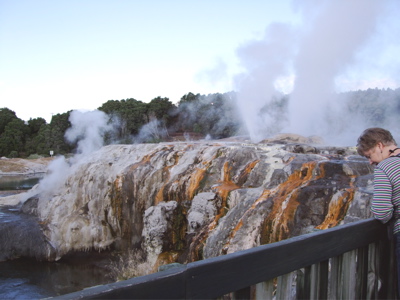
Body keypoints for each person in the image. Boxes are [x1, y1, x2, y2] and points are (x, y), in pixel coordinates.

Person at [357, 127, 400, 296]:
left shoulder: (385, 167)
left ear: (380, 146)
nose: (370, 162)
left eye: (369, 156)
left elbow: (382, 212)